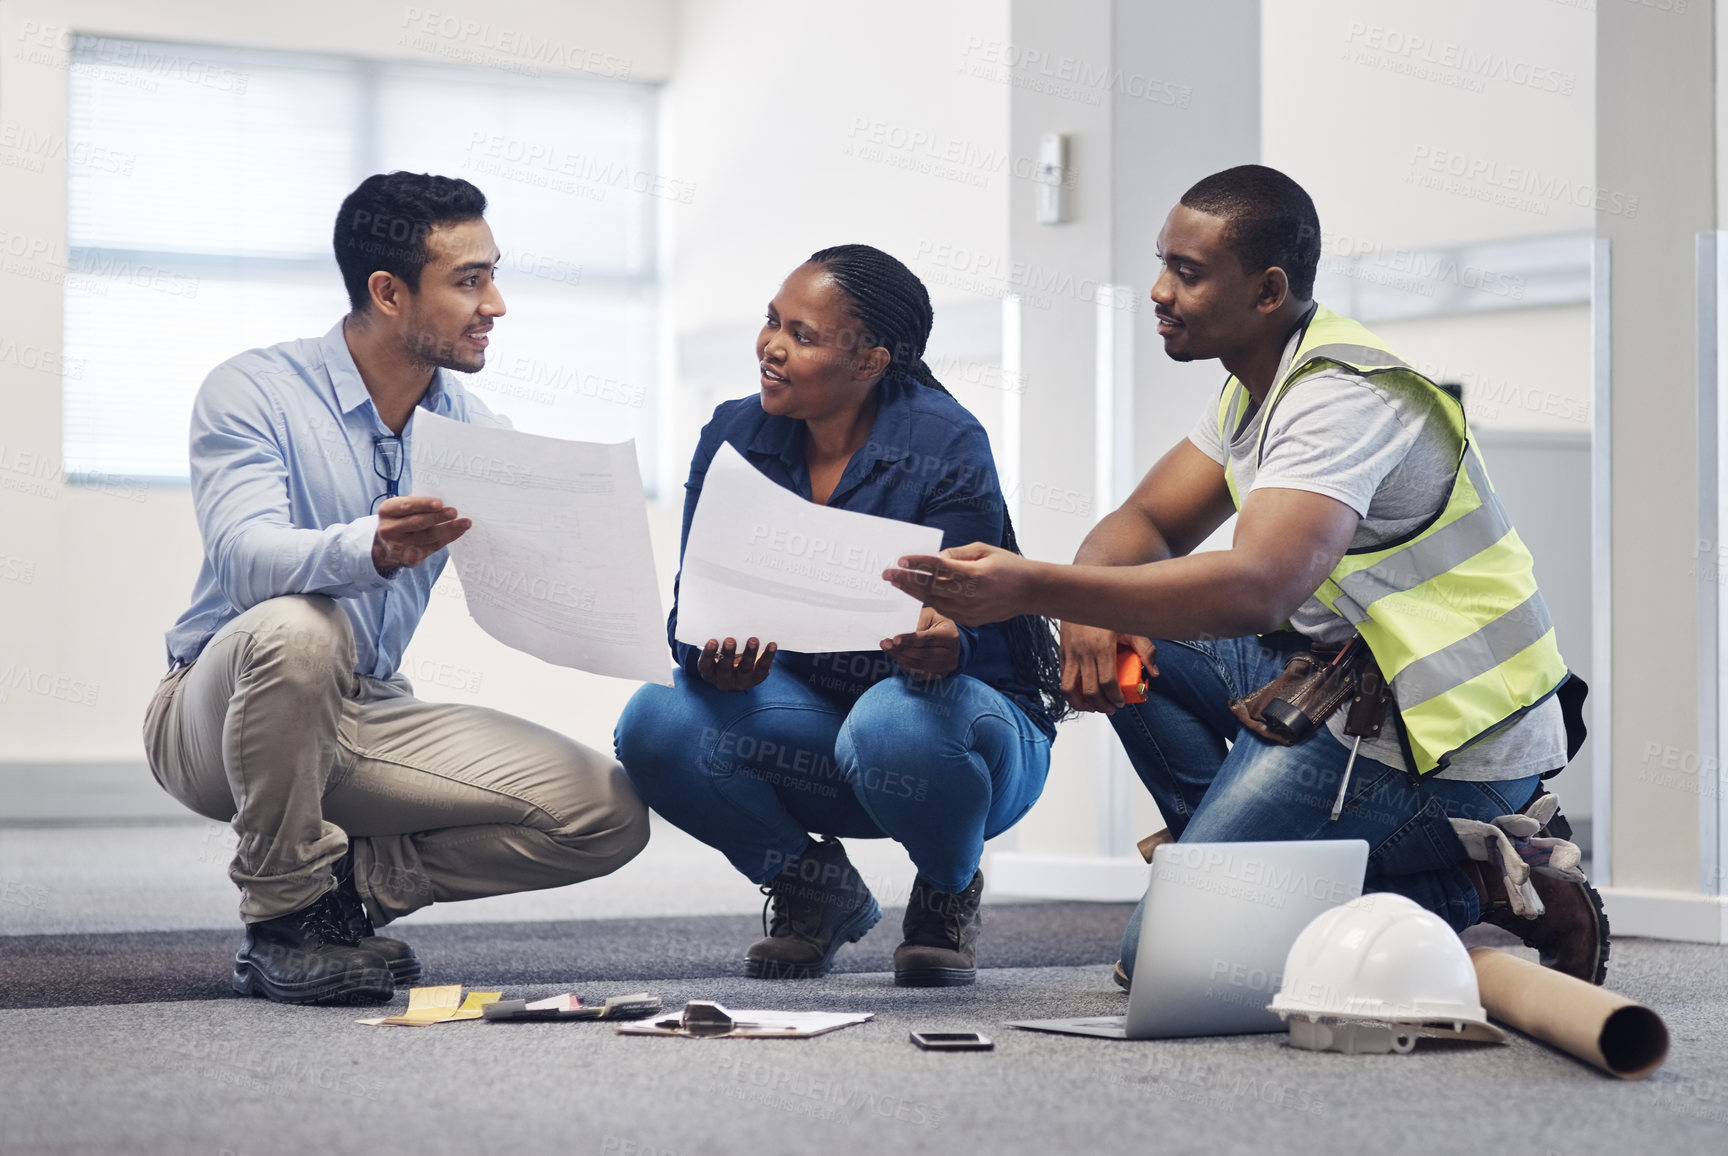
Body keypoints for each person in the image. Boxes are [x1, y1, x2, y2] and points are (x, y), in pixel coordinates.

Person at [886, 165, 1607, 986]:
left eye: (1186, 273)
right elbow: (1144, 526)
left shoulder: (1342, 399)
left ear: (1267, 290)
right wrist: (1082, 597)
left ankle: (1486, 883)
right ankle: (1222, 859)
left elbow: (1258, 586)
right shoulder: (1253, 389)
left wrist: (1041, 586)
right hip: (1339, 681)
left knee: (1168, 961)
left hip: (1441, 742)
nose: (1158, 290)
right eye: (1163, 263)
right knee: (1123, 631)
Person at [143, 172, 648, 1006]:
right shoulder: (253, 391)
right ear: (387, 291)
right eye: (470, 281)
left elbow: (557, 581)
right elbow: (243, 555)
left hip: (366, 710)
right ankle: (282, 917)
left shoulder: (480, 435)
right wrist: (367, 548)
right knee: (303, 629)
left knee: (608, 814)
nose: (497, 305)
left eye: (493, 275)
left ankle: (345, 894)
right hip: (217, 715)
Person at [614, 244, 1066, 986]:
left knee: (892, 718)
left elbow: (979, 616)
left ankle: (946, 893)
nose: (772, 347)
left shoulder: (945, 441)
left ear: (870, 362)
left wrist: (949, 641)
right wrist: (710, 658)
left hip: (957, 737)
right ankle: (810, 890)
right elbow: (690, 611)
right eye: (772, 322)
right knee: (655, 717)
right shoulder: (735, 434)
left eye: (804, 335)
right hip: (815, 729)